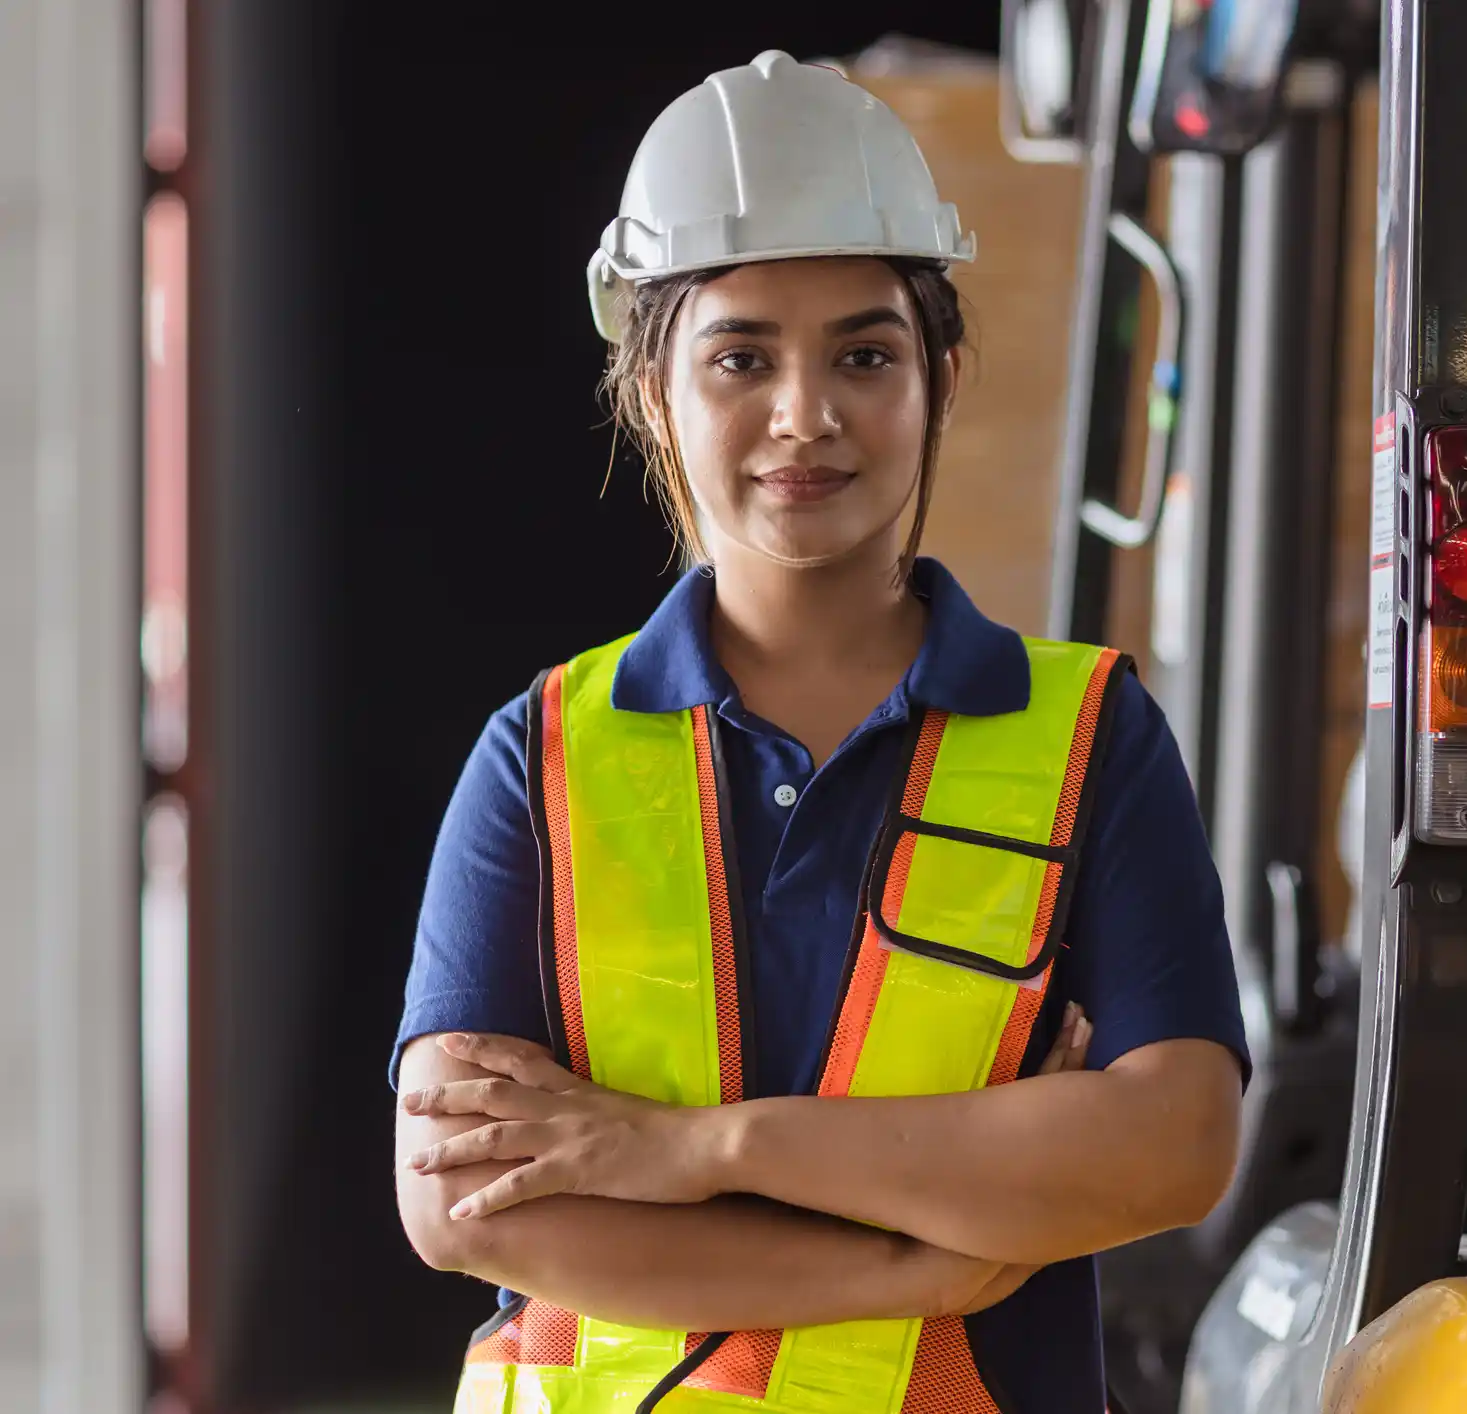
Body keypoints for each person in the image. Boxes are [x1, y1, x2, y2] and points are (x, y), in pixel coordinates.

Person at [390, 50, 1249, 1414]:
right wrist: (919, 1258)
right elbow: (463, 1203)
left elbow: (1176, 1143)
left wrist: (691, 1149)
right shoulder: (543, 759)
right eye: (742, 356)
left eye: (866, 352)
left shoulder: (1089, 739)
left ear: (943, 378)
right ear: (653, 389)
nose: (807, 414)